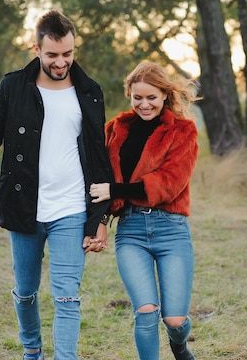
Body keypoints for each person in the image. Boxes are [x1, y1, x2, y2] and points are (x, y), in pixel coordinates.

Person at [0, 10, 113, 360]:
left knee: (67, 295)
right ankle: (31, 350)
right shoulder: (12, 86)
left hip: (71, 209)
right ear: (36, 48)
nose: (61, 62)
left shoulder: (90, 91)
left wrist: (101, 218)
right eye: (52, 55)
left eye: (67, 54)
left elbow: (99, 156)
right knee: (26, 292)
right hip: (24, 207)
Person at [90, 61, 200, 360]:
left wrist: (117, 190)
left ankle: (179, 344)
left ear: (165, 95)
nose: (144, 104)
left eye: (151, 97)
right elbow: (97, 178)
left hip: (172, 231)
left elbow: (169, 184)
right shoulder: (114, 129)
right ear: (129, 95)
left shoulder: (183, 131)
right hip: (131, 231)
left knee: (174, 320)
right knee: (146, 311)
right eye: (137, 97)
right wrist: (98, 222)